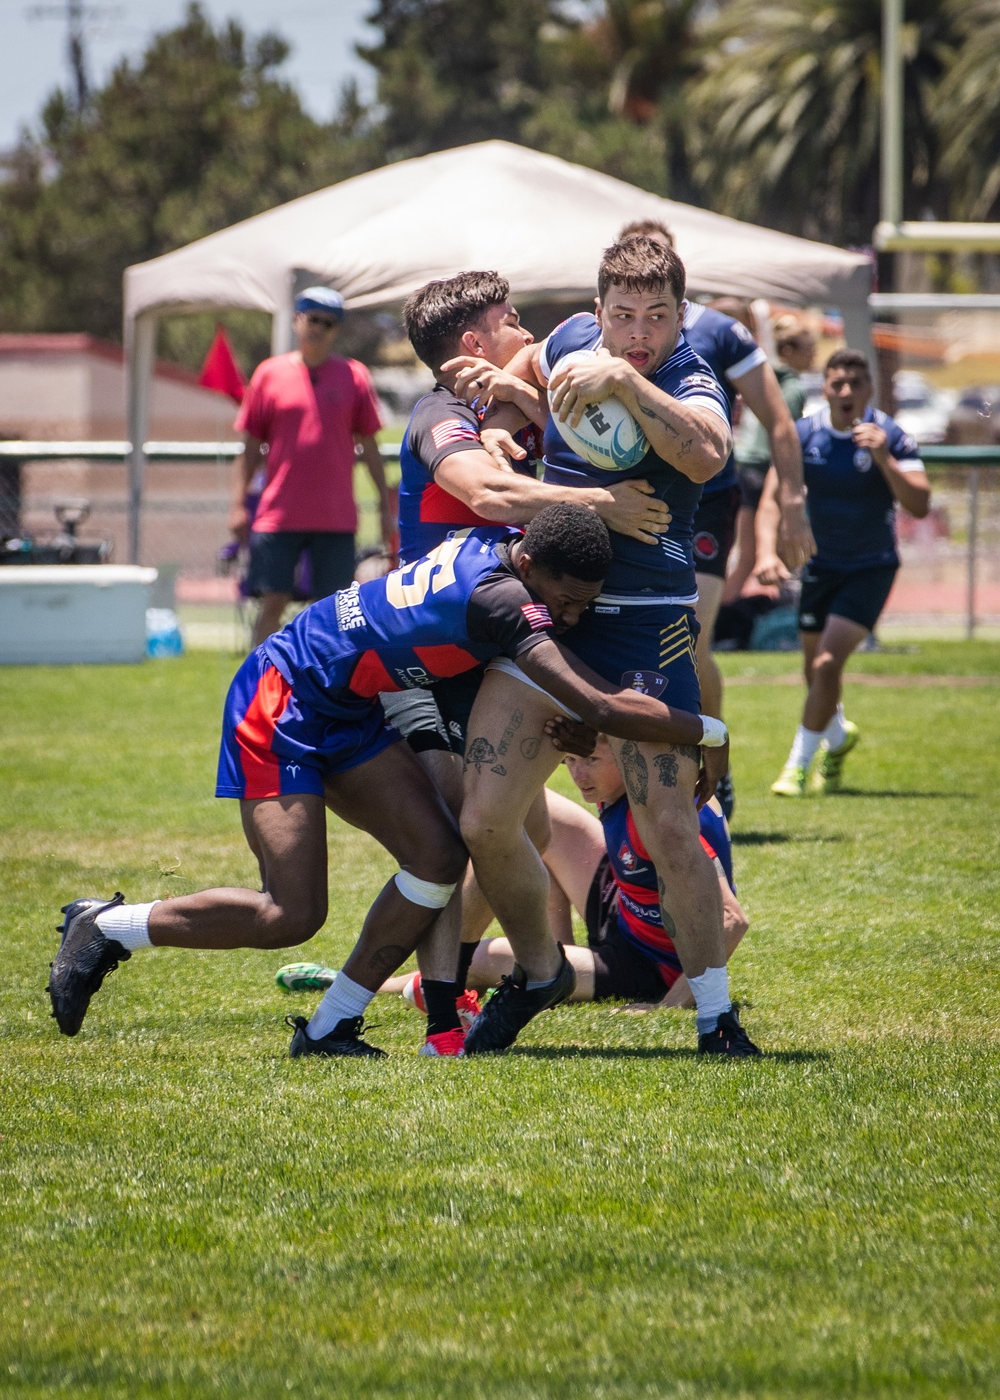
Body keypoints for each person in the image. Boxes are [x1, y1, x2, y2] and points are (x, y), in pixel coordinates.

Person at [47, 506, 731, 1059]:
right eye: (568, 600)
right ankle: (109, 926)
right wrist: (711, 732)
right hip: (282, 695)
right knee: (290, 914)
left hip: (349, 704)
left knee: (437, 857)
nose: (573, 616)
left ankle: (329, 1028)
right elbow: (603, 706)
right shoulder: (504, 602)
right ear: (527, 565)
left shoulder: (496, 540)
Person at [443, 235, 760, 1058]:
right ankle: (540, 969)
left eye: (657, 317)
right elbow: (533, 371)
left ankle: (715, 1018)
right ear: (597, 312)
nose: (638, 332)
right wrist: (510, 413)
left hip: (643, 627)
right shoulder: (571, 341)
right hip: (547, 617)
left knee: (666, 824)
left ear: (681, 317)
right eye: (623, 317)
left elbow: (708, 451)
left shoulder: (689, 379)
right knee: (483, 819)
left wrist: (624, 379)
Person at [380, 271, 673, 1026]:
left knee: (514, 825)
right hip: (438, 655)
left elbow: (552, 369)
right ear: (474, 342)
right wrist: (598, 503)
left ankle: (484, 981)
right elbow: (490, 496)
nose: (527, 329)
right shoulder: (440, 414)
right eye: (511, 320)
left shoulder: (514, 402)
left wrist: (526, 400)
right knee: (466, 835)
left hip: (501, 643)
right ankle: (448, 999)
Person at [278, 739, 749, 1015]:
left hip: (650, 966)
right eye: (569, 761)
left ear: (625, 754)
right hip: (624, 906)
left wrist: (668, 1007)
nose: (578, 775)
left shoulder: (665, 816)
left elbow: (729, 921)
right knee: (516, 810)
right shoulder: (631, 779)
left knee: (482, 960)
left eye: (590, 761)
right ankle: (550, 962)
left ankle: (366, 982)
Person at [618, 220, 814, 816]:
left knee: (690, 634)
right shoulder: (604, 327)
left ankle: (713, 761)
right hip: (632, 497)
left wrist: (795, 506)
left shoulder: (718, 332)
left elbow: (779, 421)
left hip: (707, 501)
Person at [758, 349, 931, 796]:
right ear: (826, 387)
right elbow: (772, 498)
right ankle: (836, 739)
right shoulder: (804, 436)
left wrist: (884, 460)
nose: (847, 391)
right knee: (815, 674)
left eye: (856, 383)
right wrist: (766, 554)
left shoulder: (890, 435)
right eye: (838, 382)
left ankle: (797, 766)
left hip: (871, 568)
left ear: (870, 389)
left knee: (828, 662)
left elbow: (920, 503)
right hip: (821, 566)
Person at [228, 286, 394, 646]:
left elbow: (369, 445)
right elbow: (250, 448)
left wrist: (384, 505)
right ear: (297, 320)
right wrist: (238, 505)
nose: (319, 328)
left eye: (329, 323)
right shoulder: (269, 375)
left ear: (337, 330)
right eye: (313, 318)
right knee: (272, 600)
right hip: (279, 514)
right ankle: (257, 687)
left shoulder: (355, 375)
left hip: (335, 516)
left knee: (333, 607)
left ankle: (323, 686)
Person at [725, 314, 815, 605]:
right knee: (752, 558)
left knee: (747, 557)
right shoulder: (792, 388)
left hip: (743, 467)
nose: (812, 353)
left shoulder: (764, 377)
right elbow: (783, 435)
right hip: (761, 469)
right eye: (806, 347)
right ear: (788, 350)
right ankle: (716, 622)